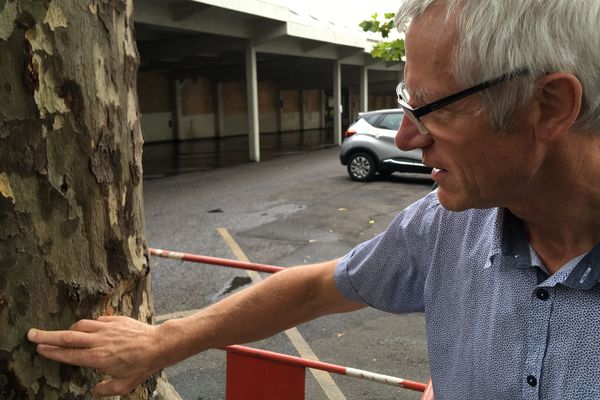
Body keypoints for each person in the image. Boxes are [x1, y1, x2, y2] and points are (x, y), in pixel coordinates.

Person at [28, 0, 600, 398]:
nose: (404, 137)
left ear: (549, 106)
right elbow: (315, 288)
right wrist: (161, 342)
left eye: (436, 108)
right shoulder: (444, 227)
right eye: (406, 102)